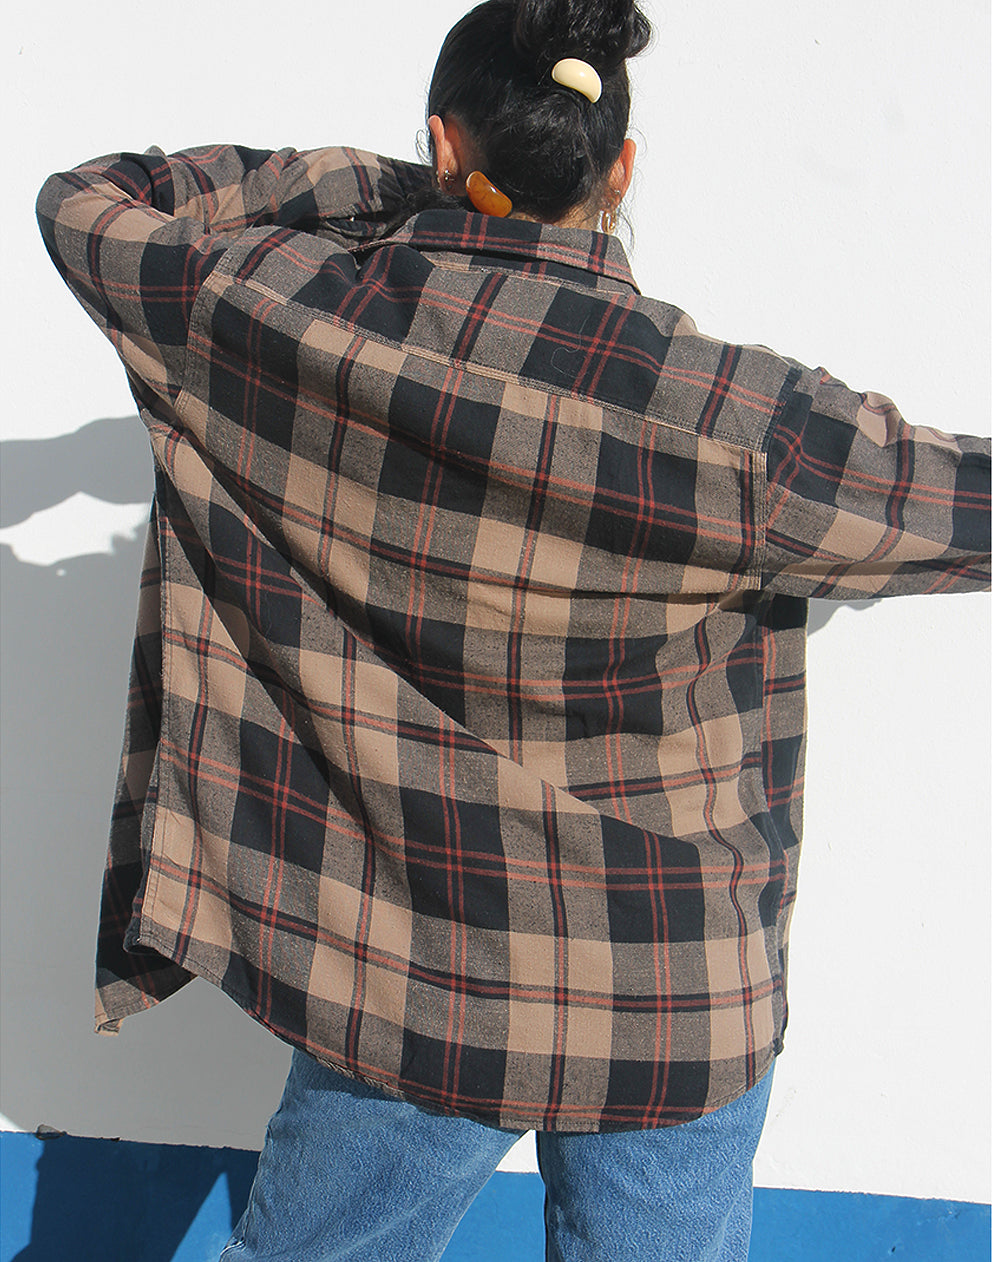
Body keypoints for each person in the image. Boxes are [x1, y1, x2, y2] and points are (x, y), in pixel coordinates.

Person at [36, 0, 989, 1258]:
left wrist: (411, 185)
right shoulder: (738, 418)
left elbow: (92, 201)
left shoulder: (280, 318)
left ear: (444, 140)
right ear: (622, 168)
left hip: (419, 974)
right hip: (672, 988)